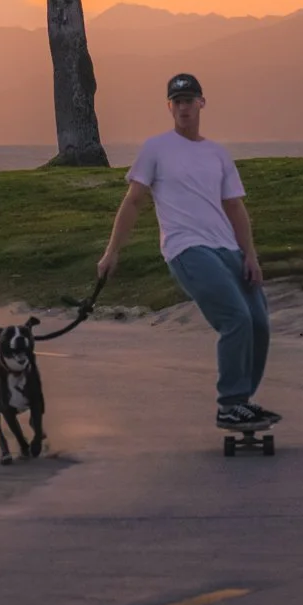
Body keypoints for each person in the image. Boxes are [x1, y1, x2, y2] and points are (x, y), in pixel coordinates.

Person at [98, 73, 278, 431]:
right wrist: (111, 252)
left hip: (227, 247)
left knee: (258, 323)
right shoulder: (156, 149)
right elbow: (133, 201)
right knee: (236, 319)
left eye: (190, 100)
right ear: (169, 106)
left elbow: (236, 208)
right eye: (177, 101)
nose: (184, 107)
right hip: (187, 247)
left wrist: (251, 255)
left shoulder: (217, 153)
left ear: (201, 104)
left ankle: (243, 401)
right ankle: (230, 403)